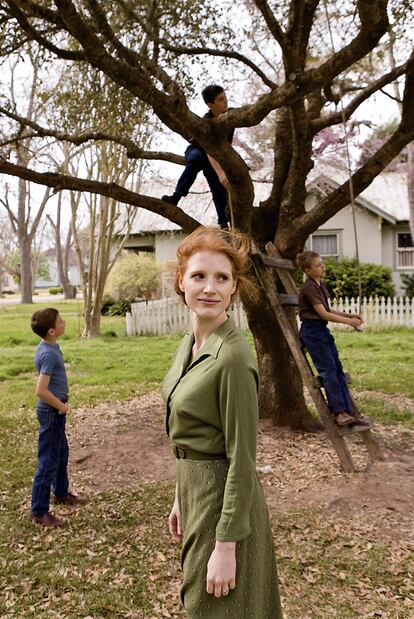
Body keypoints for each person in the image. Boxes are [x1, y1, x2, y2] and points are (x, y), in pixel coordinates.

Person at [162, 226, 283, 617]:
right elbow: (195, 432)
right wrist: (182, 495)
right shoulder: (190, 344)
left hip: (224, 502)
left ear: (234, 287)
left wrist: (226, 545)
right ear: (182, 281)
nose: (209, 288)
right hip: (196, 490)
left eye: (222, 278)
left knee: (211, 607)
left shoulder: (232, 358)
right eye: (199, 276)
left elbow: (242, 458)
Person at [297, 250, 371, 427]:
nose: (323, 267)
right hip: (312, 332)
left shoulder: (320, 285)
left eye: (323, 263)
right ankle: (339, 413)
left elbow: (328, 310)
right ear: (307, 270)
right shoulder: (308, 288)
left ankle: (349, 411)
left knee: (338, 370)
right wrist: (350, 323)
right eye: (318, 265)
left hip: (322, 331)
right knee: (328, 371)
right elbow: (323, 314)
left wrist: (349, 314)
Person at [30, 308, 85, 527]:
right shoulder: (48, 354)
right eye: (61, 321)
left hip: (56, 411)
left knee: (61, 453)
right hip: (52, 411)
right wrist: (61, 405)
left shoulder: (51, 346)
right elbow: (41, 390)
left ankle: (61, 493)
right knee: (48, 461)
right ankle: (39, 510)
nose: (64, 322)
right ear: (52, 330)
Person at [162, 85, 233, 228]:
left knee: (217, 183)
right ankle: (177, 196)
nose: (225, 101)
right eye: (220, 99)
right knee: (198, 159)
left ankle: (223, 221)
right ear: (210, 105)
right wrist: (220, 172)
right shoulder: (206, 122)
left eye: (225, 97)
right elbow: (209, 149)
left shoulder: (231, 116)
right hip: (198, 150)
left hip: (215, 155)